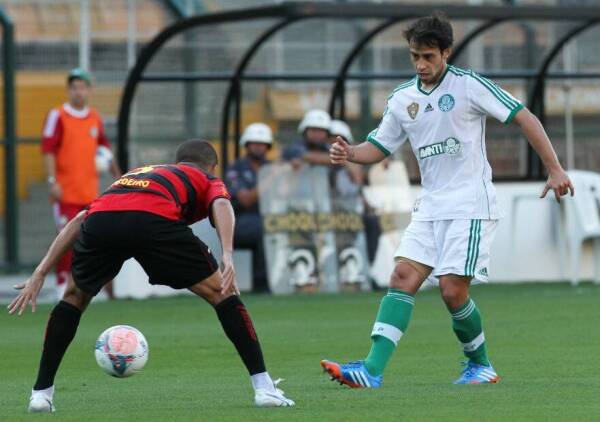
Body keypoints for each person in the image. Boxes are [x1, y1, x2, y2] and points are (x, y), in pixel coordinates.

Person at [321, 13, 574, 388]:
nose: (421, 65)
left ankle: (481, 364)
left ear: (446, 53)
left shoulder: (470, 86)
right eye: (414, 57)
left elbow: (525, 117)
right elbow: (378, 146)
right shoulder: (403, 98)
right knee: (401, 277)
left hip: (471, 206)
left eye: (428, 56)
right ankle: (371, 371)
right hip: (431, 206)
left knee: (452, 291)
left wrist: (554, 168)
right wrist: (349, 153)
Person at [8, 140, 295, 412]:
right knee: (223, 293)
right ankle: (264, 389)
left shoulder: (138, 173)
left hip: (103, 222)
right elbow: (221, 203)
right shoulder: (203, 176)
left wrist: (40, 271)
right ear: (212, 167)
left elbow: (81, 218)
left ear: (175, 161)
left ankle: (41, 395)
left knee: (73, 296)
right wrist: (228, 253)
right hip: (154, 220)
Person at [41, 68, 121, 300]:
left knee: (93, 242)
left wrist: (119, 176)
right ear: (69, 90)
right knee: (65, 242)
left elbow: (104, 149)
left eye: (83, 87)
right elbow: (47, 150)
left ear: (90, 90)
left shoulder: (94, 117)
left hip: (90, 194)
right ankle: (60, 289)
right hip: (65, 193)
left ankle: (96, 289)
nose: (78, 92)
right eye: (74, 87)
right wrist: (51, 180)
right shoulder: (57, 115)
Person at [225, 123, 273, 292]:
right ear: (246, 145)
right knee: (263, 226)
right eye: (254, 143)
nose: (258, 147)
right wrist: (270, 179)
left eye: (262, 144)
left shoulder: (272, 166)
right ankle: (262, 286)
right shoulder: (235, 168)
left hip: (270, 219)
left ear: (268, 146)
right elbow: (245, 200)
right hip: (239, 223)